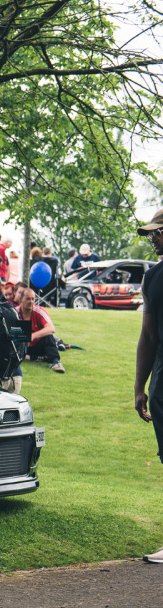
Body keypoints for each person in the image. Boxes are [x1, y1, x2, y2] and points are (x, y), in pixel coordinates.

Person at [134, 208, 163, 563]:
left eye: (158, 232)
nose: (153, 237)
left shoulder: (155, 277)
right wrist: (139, 387)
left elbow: (150, 336)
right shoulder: (153, 276)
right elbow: (148, 336)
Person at [14, 283, 65, 373]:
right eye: (28, 299)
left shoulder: (40, 311)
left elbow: (51, 328)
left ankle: (55, 362)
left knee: (49, 336)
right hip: (23, 346)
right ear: (21, 299)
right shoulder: (15, 312)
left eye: (33, 299)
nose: (31, 301)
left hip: (38, 345)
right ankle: (35, 357)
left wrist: (33, 336)